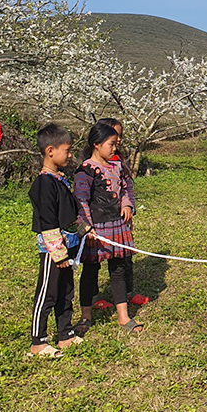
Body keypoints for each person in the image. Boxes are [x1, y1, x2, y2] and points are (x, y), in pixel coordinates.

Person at [74, 122, 143, 336]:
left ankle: (123, 315)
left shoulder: (117, 166)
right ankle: (86, 315)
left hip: (116, 226)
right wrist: (86, 228)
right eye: (111, 144)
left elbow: (124, 190)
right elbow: (81, 200)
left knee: (118, 269)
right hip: (96, 229)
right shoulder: (85, 170)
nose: (115, 148)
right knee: (90, 270)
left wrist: (126, 204)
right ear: (96, 144)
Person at [27, 123, 87, 358]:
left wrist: (84, 229)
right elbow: (48, 220)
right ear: (50, 150)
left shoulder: (60, 179)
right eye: (67, 150)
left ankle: (65, 334)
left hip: (68, 245)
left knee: (66, 291)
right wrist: (58, 253)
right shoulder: (44, 184)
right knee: (47, 292)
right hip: (55, 250)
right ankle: (38, 341)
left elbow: (69, 214)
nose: (70, 155)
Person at [96, 117, 149, 308]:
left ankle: (128, 292)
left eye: (119, 135)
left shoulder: (120, 160)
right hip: (101, 220)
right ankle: (94, 296)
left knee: (125, 256)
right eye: (114, 135)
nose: (118, 140)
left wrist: (129, 208)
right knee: (95, 259)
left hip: (120, 219)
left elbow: (127, 187)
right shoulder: (91, 164)